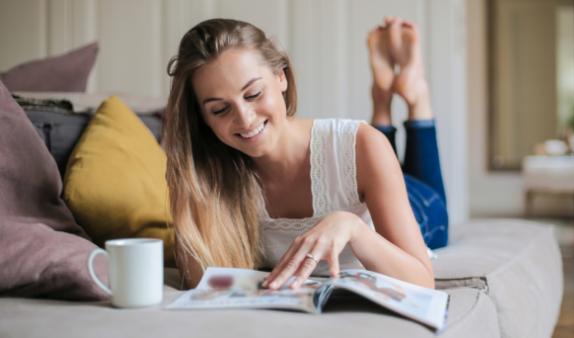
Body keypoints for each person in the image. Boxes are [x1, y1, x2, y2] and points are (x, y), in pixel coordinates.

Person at [163, 17, 448, 291]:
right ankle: (383, 103)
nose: (245, 119)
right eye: (219, 109)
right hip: (368, 170)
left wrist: (354, 227)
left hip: (407, 202)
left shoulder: (361, 144)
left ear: (281, 77)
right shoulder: (204, 172)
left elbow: (423, 280)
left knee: (420, 194)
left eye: (253, 94)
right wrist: (187, 178)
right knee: (376, 153)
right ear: (202, 118)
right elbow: (198, 279)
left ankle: (411, 97)